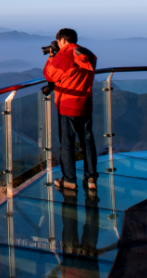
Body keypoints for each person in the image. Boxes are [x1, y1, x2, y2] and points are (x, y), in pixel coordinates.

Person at [44, 28, 98, 190]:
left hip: (67, 104)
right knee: (87, 142)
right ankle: (91, 179)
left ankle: (69, 180)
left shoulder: (65, 56)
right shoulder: (87, 54)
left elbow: (49, 74)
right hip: (85, 102)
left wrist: (52, 55)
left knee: (67, 143)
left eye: (58, 42)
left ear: (63, 41)